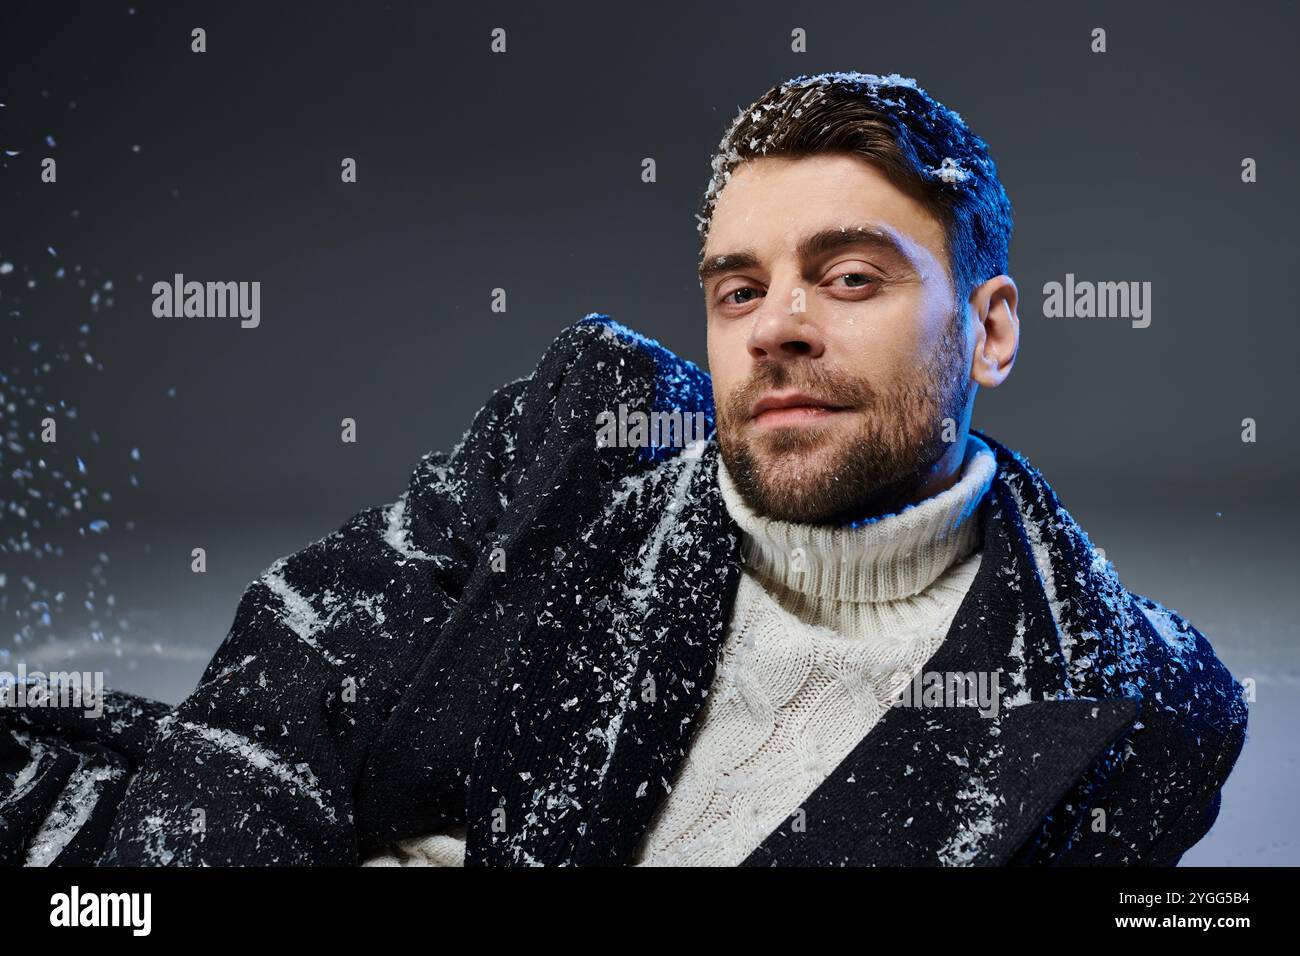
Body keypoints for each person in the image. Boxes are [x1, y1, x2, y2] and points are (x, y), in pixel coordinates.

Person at [0, 71, 1247, 867]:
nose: (777, 326)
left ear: (989, 327)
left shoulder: (1142, 699)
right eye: (739, 288)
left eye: (850, 276)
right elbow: (289, 683)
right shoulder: (590, 425)